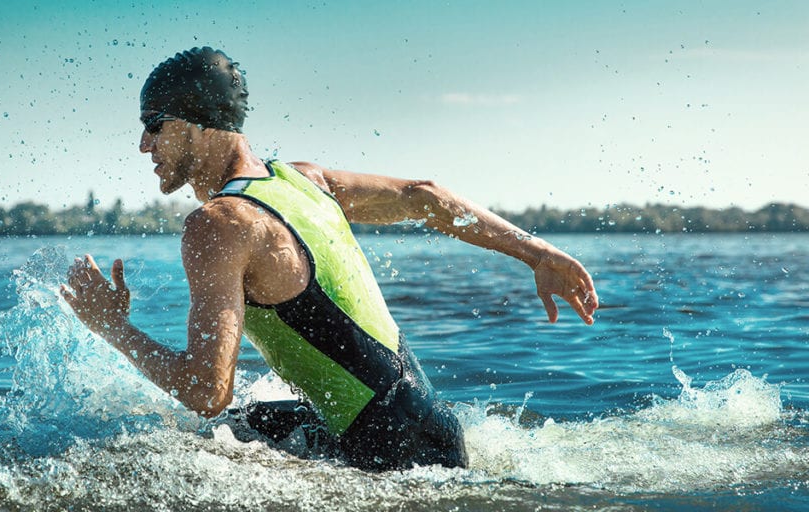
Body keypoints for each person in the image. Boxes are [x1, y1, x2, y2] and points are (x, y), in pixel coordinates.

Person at [60, 47, 598, 471]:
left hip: (385, 458)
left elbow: (206, 389)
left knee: (182, 445)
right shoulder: (301, 180)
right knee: (232, 429)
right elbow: (425, 196)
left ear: (197, 122)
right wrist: (537, 252)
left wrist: (112, 327)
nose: (142, 145)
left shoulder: (219, 225)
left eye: (154, 123)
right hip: (435, 429)